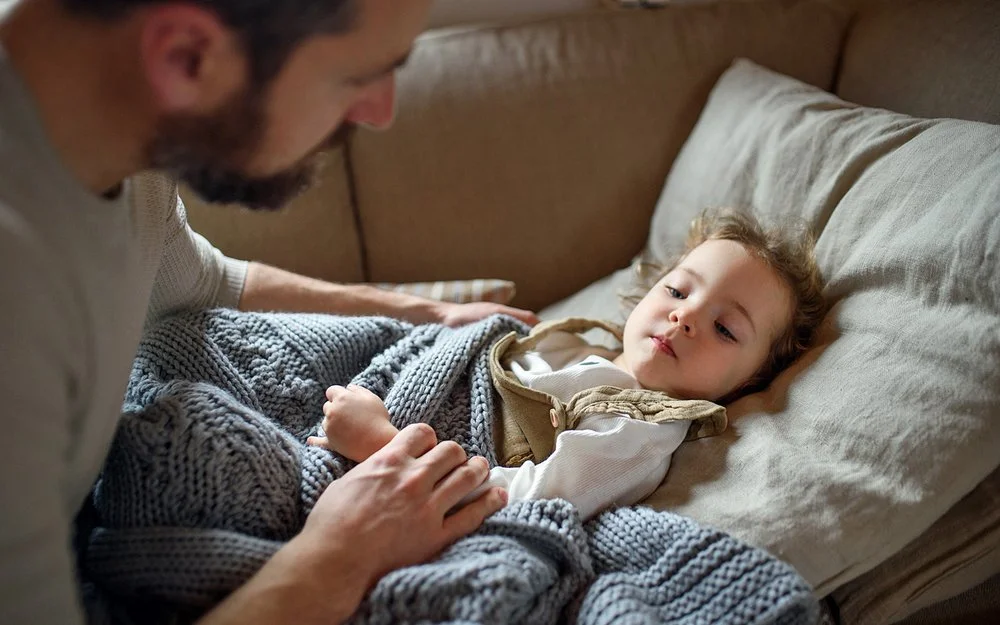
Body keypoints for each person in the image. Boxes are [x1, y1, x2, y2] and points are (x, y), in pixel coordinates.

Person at [0, 1, 539, 624]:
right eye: (358, 76)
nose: (380, 112)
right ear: (187, 57)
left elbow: (205, 282)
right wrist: (341, 554)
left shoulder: (118, 144)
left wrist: (429, 313)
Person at [309, 209, 827, 520]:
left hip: (394, 456)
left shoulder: (639, 431)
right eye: (677, 290)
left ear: (749, 383)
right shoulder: (571, 344)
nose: (685, 316)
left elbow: (524, 502)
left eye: (725, 328)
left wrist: (383, 444)